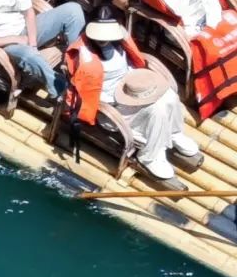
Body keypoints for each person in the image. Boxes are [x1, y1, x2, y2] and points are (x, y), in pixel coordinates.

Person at [65, 13, 203, 189]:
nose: (105, 41)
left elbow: (132, 64)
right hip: (111, 105)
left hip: (131, 88)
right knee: (157, 110)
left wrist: (139, 86)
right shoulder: (85, 59)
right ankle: (150, 156)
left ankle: (174, 133)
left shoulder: (118, 41)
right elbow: (89, 95)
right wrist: (128, 97)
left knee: (169, 96)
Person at [138, 0, 237, 120]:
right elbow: (181, 12)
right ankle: (217, 97)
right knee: (214, 51)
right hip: (184, 28)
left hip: (210, 17)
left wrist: (216, 18)